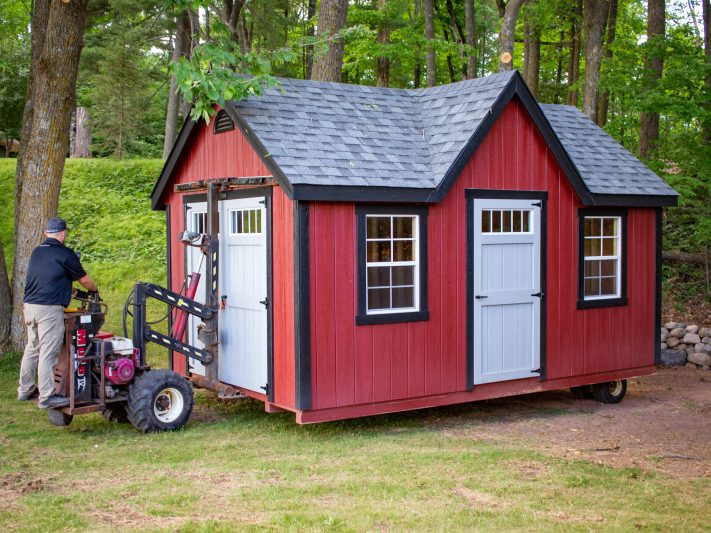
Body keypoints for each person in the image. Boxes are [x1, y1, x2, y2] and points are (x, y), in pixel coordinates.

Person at [17, 217, 98, 409]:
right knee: (48, 352)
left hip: (30, 307)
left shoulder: (37, 252)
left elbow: (51, 280)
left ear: (46, 233)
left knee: (32, 348)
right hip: (49, 309)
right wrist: (94, 291)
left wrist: (74, 293)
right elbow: (85, 281)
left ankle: (25, 389)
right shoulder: (65, 254)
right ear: (63, 234)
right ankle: (47, 396)